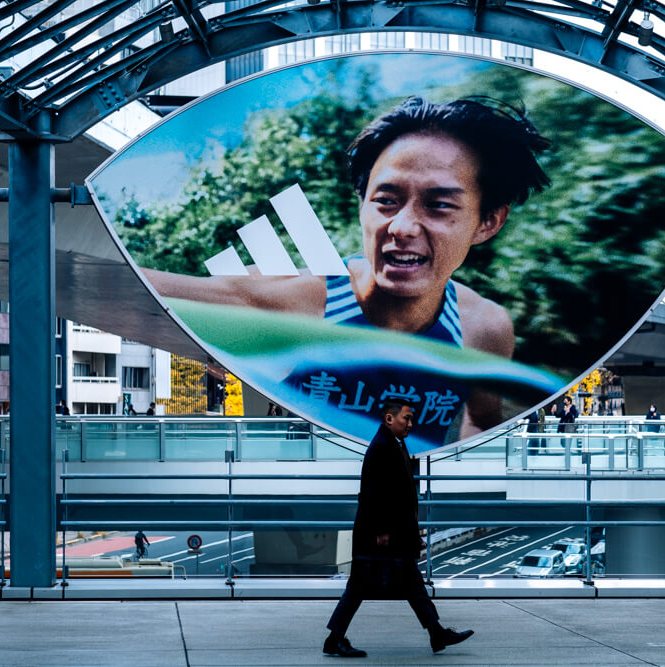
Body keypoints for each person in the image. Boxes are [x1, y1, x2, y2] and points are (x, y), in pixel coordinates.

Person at [143, 97, 551, 441]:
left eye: (439, 205)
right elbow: (143, 289)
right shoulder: (298, 301)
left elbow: (481, 420)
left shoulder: (484, 327)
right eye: (386, 201)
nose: (402, 227)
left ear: (488, 221)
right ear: (362, 206)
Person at [323, 400, 473, 657]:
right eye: (406, 418)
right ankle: (334, 639)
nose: (410, 424)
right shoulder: (382, 447)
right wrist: (382, 530)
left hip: (390, 534)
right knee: (364, 586)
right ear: (390, 419)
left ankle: (436, 633)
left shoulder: (393, 444)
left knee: (410, 584)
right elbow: (373, 492)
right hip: (381, 536)